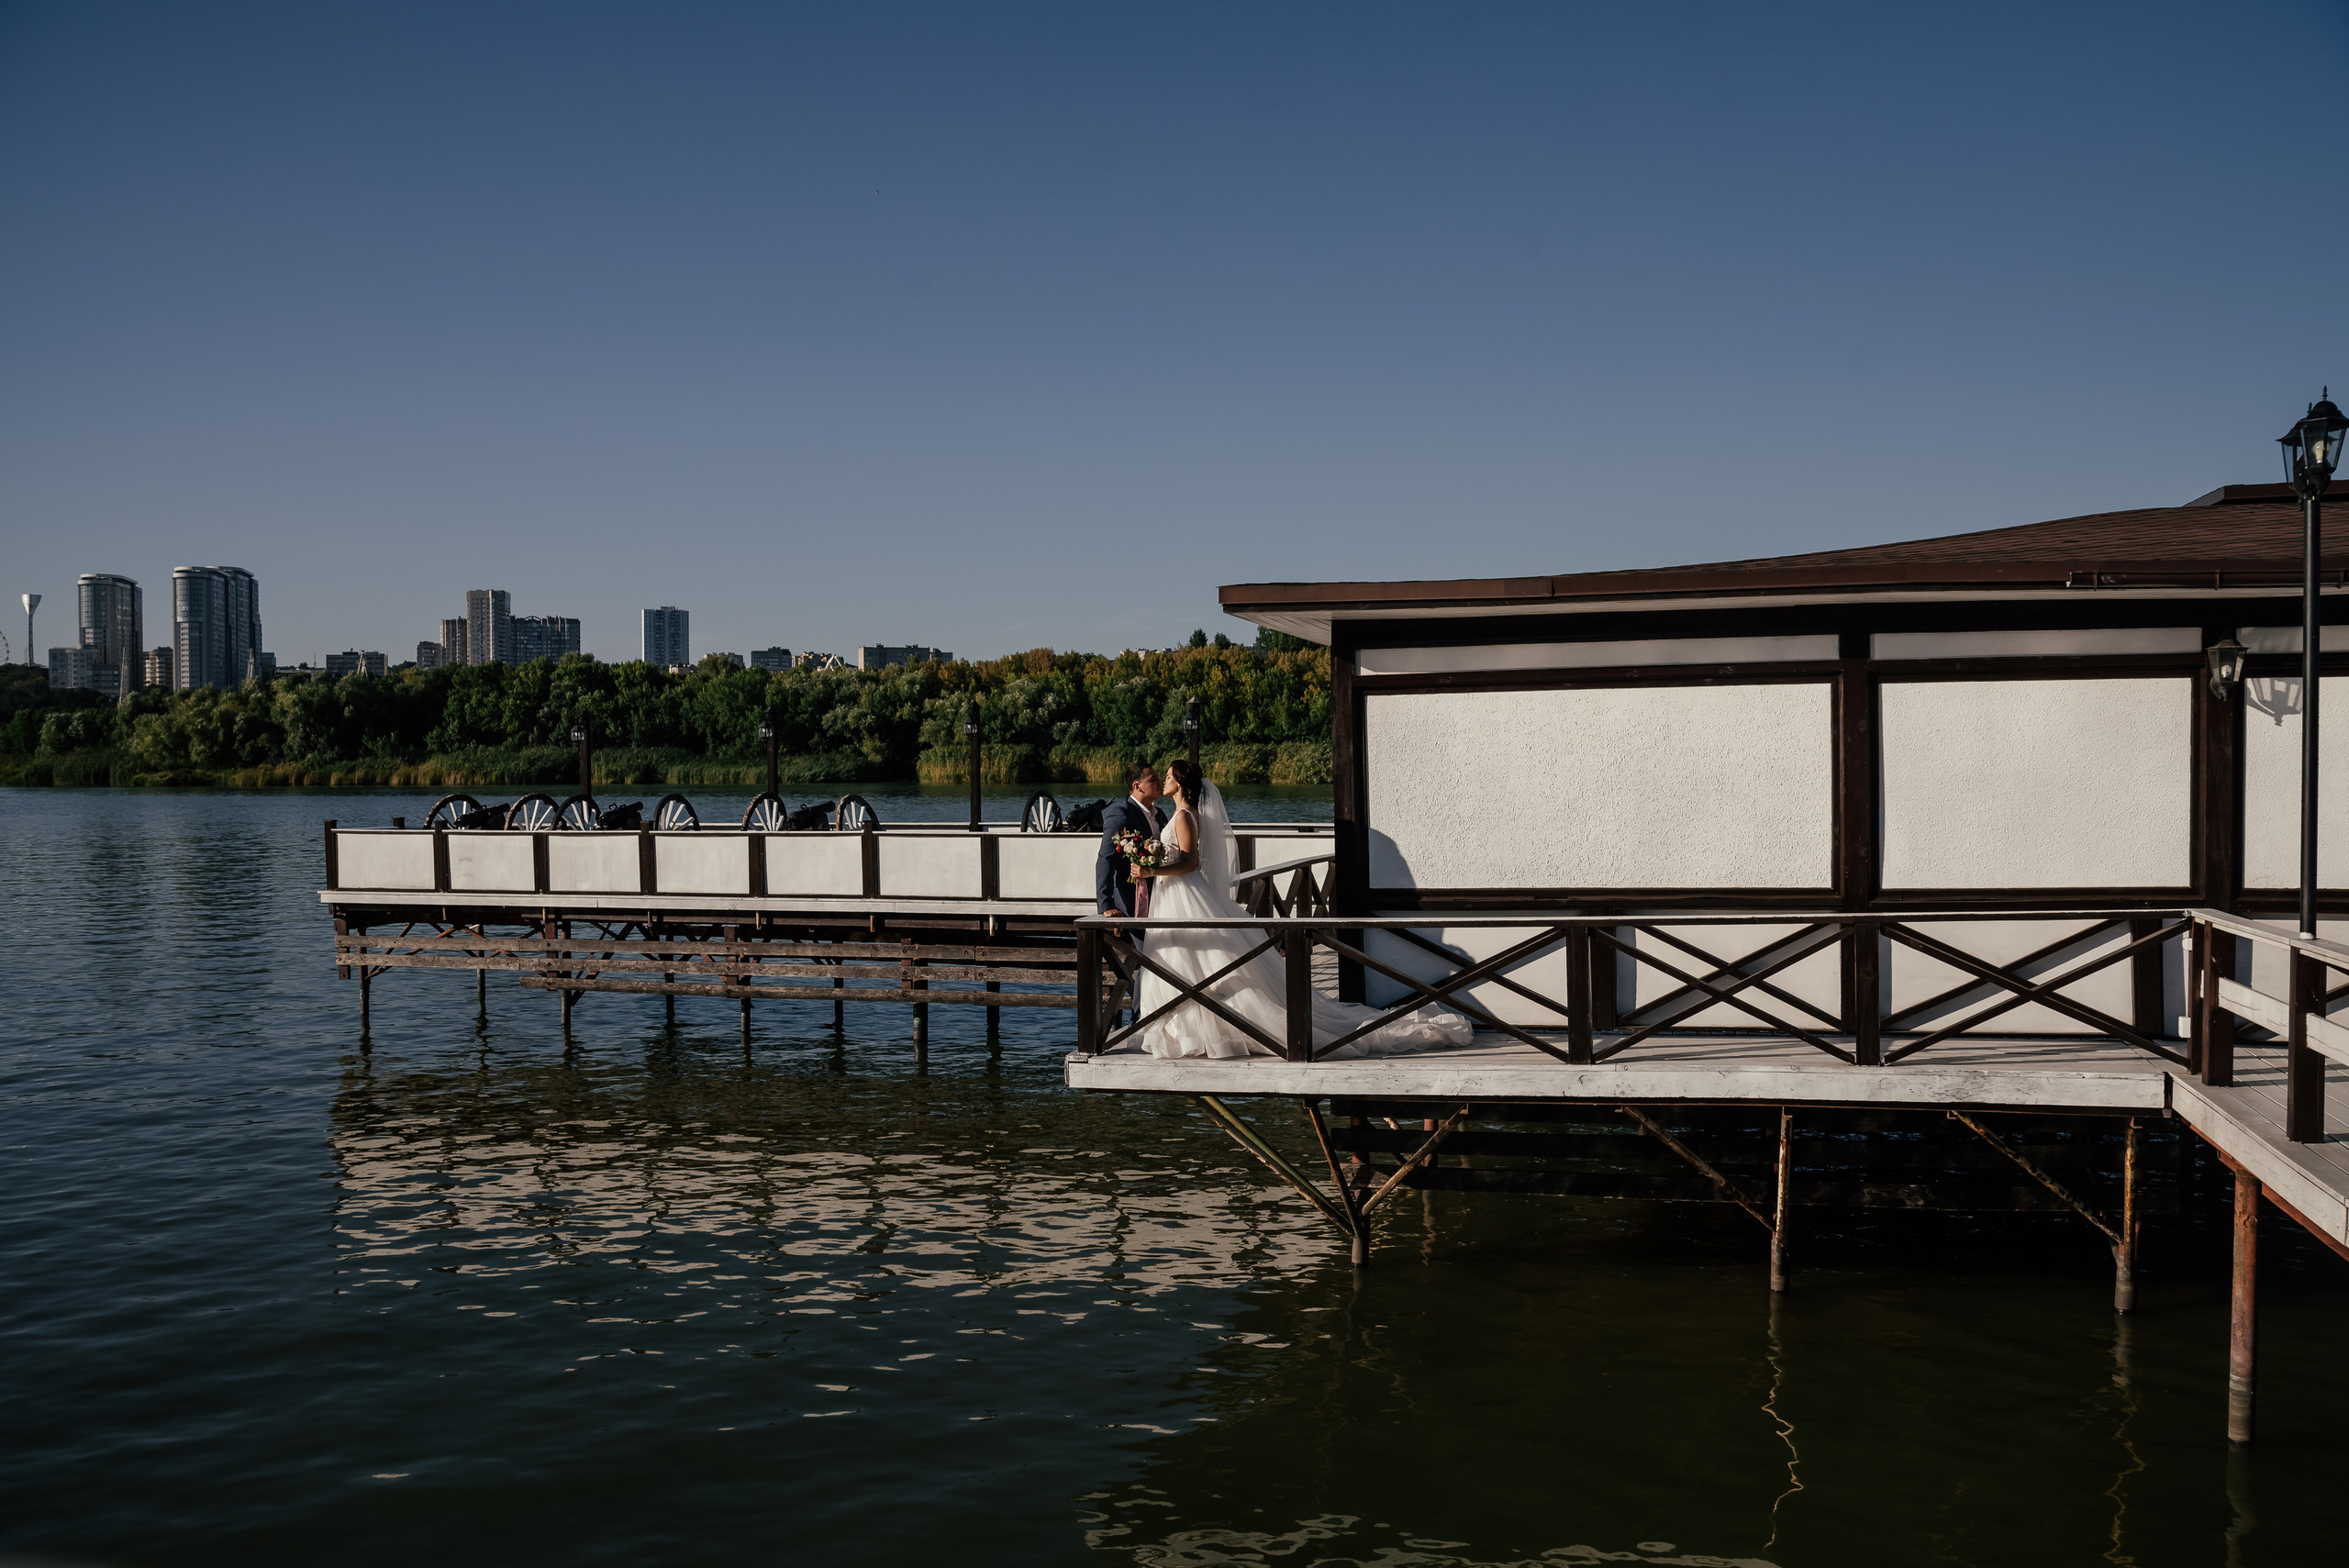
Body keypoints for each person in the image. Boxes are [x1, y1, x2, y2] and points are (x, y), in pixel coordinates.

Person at [1128, 758, 1472, 1060]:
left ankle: (1206, 1031)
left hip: (1185, 892)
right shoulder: (1181, 814)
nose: (1165, 781)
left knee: (1195, 960)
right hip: (1175, 894)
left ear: (1181, 784)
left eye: (1170, 776)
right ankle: (1185, 1030)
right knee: (1186, 961)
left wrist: (1150, 869)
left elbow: (1190, 863)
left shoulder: (1186, 816)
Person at [1095, 760, 1165, 918]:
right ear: (1137, 786)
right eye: (1153, 780)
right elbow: (1106, 858)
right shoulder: (1120, 815)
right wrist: (1106, 905)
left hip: (1161, 898)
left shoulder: (1160, 815)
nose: (1159, 782)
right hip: (1132, 901)